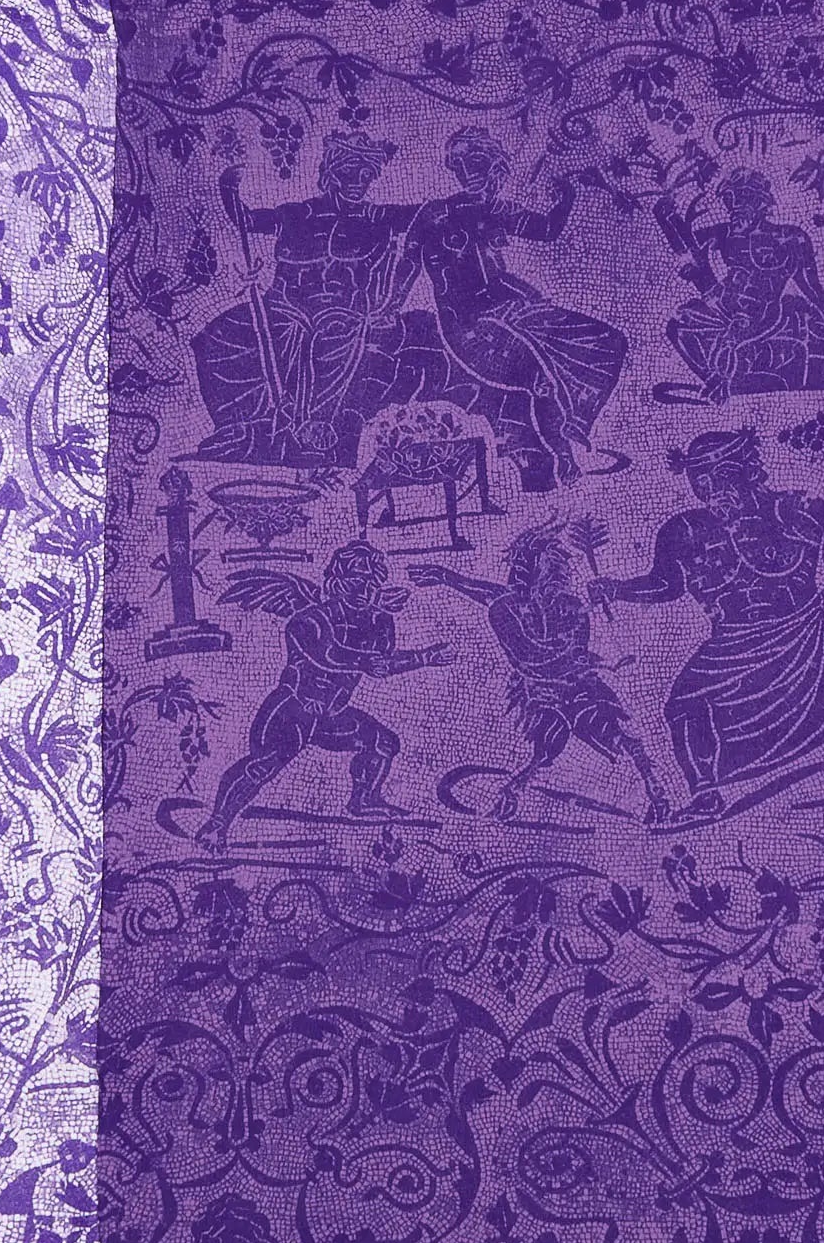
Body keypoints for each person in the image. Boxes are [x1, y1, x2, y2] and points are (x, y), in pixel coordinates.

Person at [592, 429, 824, 821]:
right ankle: (706, 796)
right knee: (685, 705)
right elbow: (666, 585)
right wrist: (617, 588)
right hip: (731, 641)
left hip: (801, 623)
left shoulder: (789, 508)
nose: (711, 491)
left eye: (720, 477)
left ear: (747, 471)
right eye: (700, 481)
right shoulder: (685, 531)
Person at [406, 127, 626, 492]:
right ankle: (563, 457)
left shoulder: (498, 209)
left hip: (516, 311)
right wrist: (385, 306)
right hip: (471, 326)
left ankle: (577, 419)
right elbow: (408, 261)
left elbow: (547, 229)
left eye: (476, 161)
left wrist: (567, 196)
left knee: (611, 341)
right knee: (541, 377)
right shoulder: (438, 213)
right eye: (458, 164)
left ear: (493, 163)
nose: (468, 171)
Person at [190, 132, 425, 466]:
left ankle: (317, 425)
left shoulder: (379, 218)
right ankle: (237, 425)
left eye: (366, 174)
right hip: (285, 306)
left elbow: (427, 216)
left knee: (337, 337)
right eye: (349, 171)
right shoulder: (298, 214)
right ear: (332, 172)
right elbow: (248, 221)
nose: (357, 182)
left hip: (342, 311)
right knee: (217, 336)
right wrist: (228, 188)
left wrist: (394, 294)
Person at [196, 540, 451, 848]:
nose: (363, 588)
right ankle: (217, 823)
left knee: (383, 743)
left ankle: (364, 800)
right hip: (292, 710)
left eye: (370, 580)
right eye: (355, 579)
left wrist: (424, 657)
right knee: (264, 764)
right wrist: (364, 661)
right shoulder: (310, 618)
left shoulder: (379, 622)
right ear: (337, 581)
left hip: (331, 715)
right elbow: (327, 653)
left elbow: (383, 662)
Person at [411, 526, 670, 824]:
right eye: (519, 566)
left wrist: (446, 577)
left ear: (544, 569)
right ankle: (515, 790)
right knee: (548, 743)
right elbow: (485, 592)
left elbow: (567, 650)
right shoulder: (517, 604)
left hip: (569, 686)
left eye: (525, 565)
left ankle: (652, 786)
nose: (518, 574)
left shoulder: (569, 608)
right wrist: (445, 576)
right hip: (546, 689)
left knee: (609, 732)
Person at [654, 168, 824, 402]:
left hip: (765, 315)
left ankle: (731, 382)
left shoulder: (791, 238)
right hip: (725, 306)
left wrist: (823, 311)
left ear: (760, 202)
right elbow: (688, 246)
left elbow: (810, 286)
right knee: (679, 327)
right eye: (729, 200)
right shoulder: (726, 234)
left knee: (739, 344)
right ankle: (726, 380)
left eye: (742, 199)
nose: (734, 207)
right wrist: (668, 218)